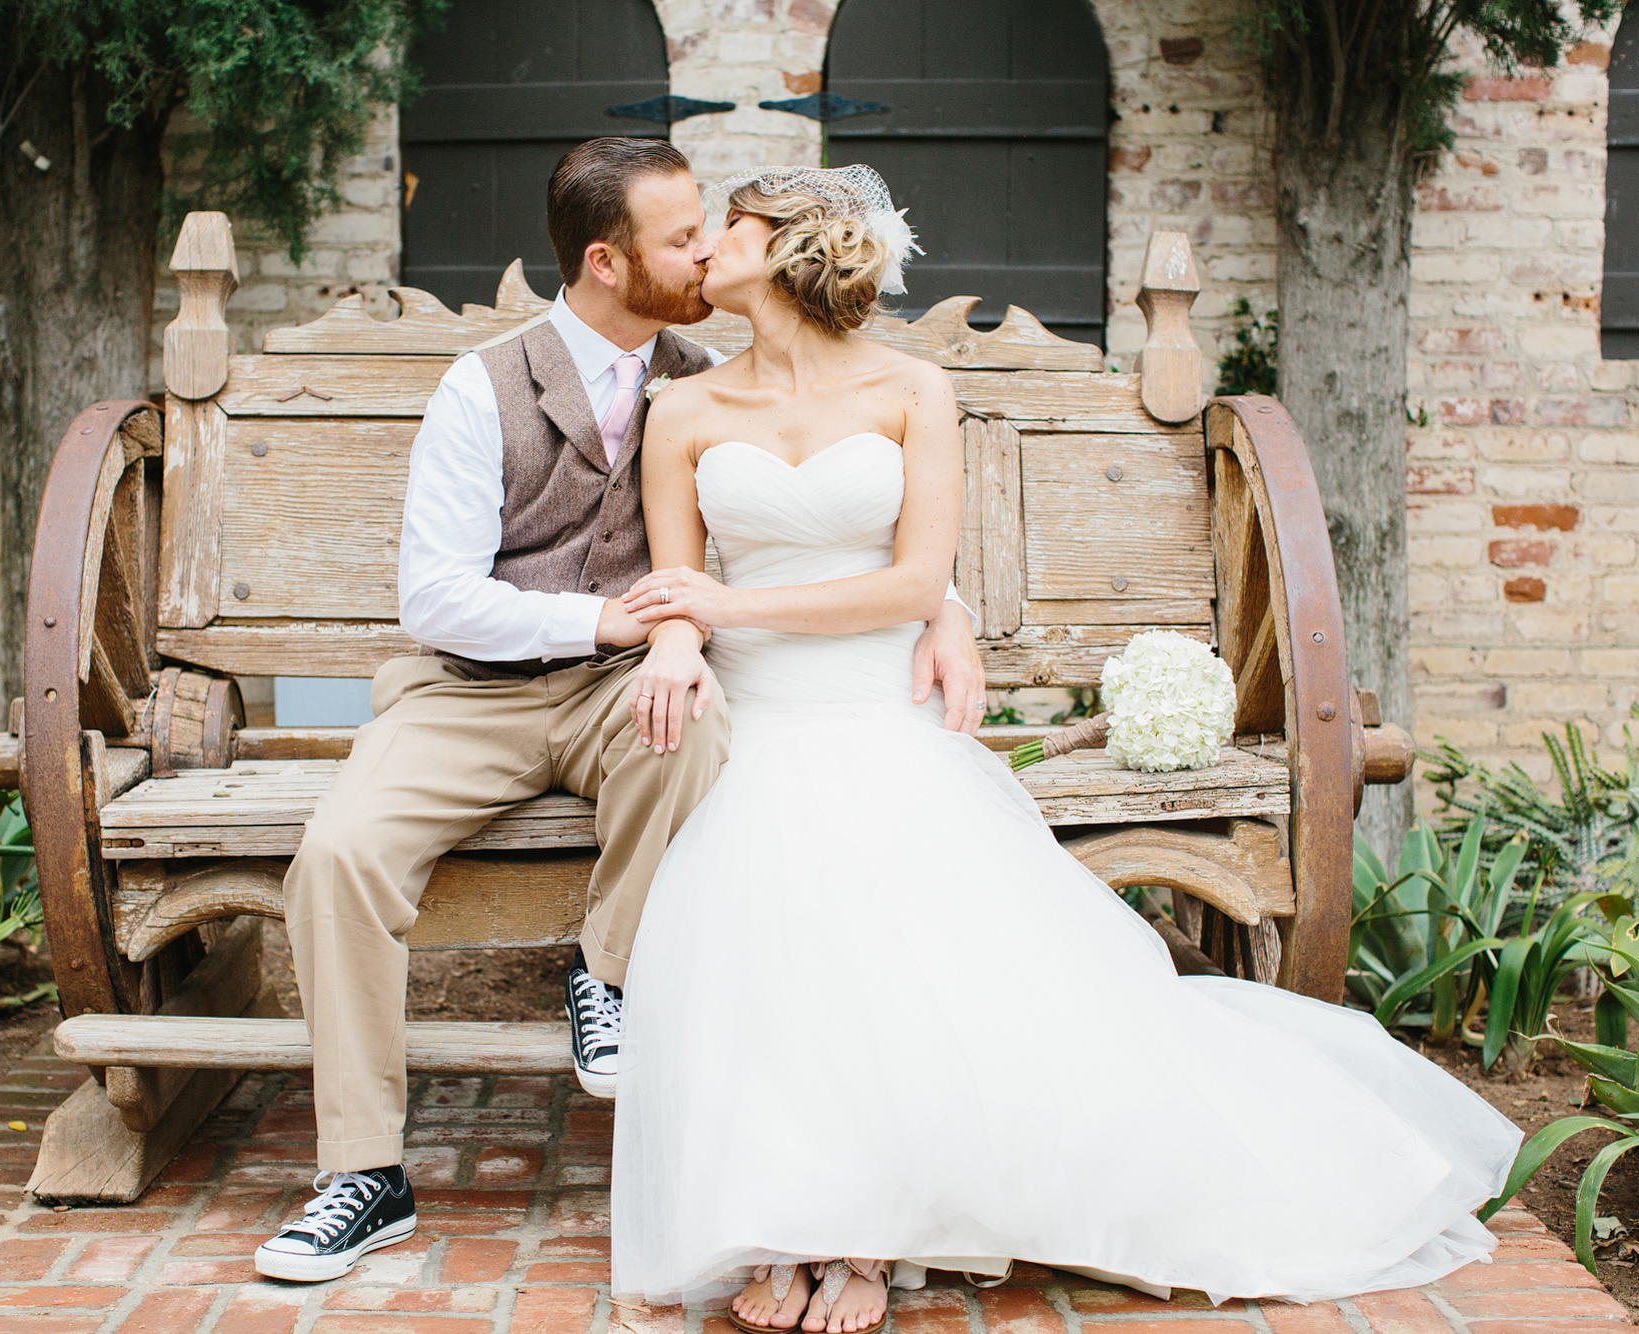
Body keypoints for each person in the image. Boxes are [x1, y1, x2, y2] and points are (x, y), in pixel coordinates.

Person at [607, 164, 1525, 1334]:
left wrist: (726, 612)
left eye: (725, 227)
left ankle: (867, 1234)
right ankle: (787, 1219)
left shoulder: (910, 389)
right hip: (758, 711)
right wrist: (676, 640)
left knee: (886, 917)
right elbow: (674, 574)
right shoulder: (682, 409)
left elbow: (912, 576)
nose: (703, 249)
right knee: (764, 912)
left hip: (872, 700)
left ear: (785, 248)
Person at [253, 141, 986, 1284]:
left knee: (692, 727)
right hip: (472, 693)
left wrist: (944, 605)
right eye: (681, 238)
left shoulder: (700, 374)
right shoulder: (478, 386)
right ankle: (362, 1172)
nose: (704, 252)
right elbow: (434, 597)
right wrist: (606, 625)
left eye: (709, 230)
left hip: (633, 685)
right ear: (605, 261)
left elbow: (834, 507)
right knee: (337, 855)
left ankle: (607, 969)